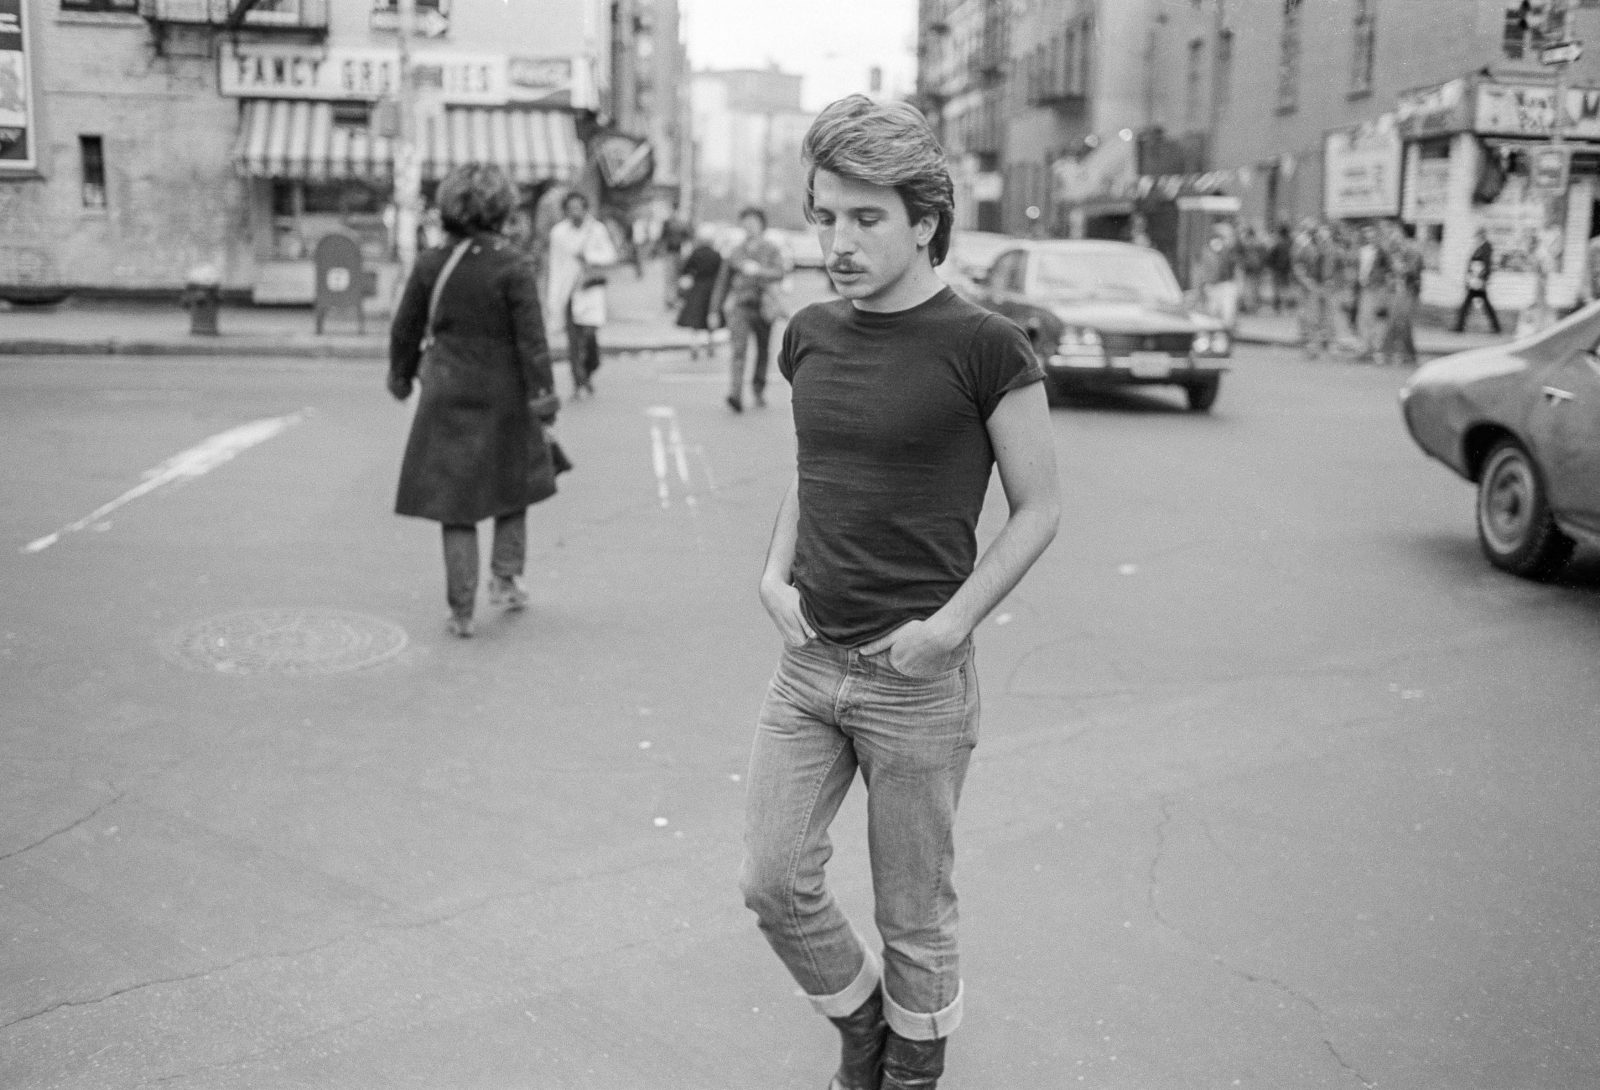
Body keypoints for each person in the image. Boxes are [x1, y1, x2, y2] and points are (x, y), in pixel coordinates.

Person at [739, 94, 1060, 1090]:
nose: (837, 242)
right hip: (808, 665)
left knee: (913, 915)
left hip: (916, 681)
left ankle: (910, 1070)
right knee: (772, 881)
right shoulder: (808, 334)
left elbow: (1039, 508)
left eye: (865, 218)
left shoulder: (986, 346)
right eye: (824, 216)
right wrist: (773, 572)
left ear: (923, 220)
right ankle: (863, 1024)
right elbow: (818, 464)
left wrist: (948, 628)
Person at [387, 163, 559, 639]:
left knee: (455, 503)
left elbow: (404, 328)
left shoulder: (431, 263)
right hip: (505, 392)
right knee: (513, 486)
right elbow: (533, 341)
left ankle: (461, 611)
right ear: (502, 208)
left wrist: (400, 377)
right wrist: (544, 399)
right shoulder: (513, 264)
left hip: (446, 389)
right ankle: (505, 580)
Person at [709, 206, 788, 412]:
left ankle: (758, 388)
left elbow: (780, 272)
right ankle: (735, 394)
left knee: (763, 350)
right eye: (746, 223)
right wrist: (714, 311)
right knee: (738, 350)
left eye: (753, 222)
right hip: (741, 307)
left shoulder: (771, 249)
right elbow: (722, 282)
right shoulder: (736, 251)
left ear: (762, 225)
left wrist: (759, 271)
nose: (749, 227)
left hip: (764, 307)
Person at [546, 191, 617, 398]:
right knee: (573, 341)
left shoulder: (596, 230)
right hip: (568, 291)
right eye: (570, 208)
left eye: (578, 208)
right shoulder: (558, 233)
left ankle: (589, 369)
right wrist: (553, 296)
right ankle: (578, 381)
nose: (574, 212)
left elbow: (610, 255)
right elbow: (555, 265)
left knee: (589, 336)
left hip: (589, 290)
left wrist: (588, 256)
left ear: (585, 209)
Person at [674, 224, 724, 360]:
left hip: (698, 287)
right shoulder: (716, 254)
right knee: (709, 317)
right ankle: (710, 344)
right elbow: (721, 273)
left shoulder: (696, 253)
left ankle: (694, 345)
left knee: (695, 319)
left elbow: (685, 269)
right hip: (712, 289)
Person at [1292, 222, 1337, 358]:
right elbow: (1298, 266)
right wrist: (1306, 281)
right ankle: (1313, 347)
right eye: (1320, 233)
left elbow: (1338, 266)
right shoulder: (1307, 248)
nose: (1323, 236)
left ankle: (1327, 343)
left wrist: (1334, 281)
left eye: (1326, 233)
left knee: (1328, 317)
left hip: (1327, 286)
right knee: (1313, 317)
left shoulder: (1332, 249)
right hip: (1314, 286)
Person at [1381, 223, 1423, 366]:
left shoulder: (1413, 250)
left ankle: (1404, 354)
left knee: (1402, 322)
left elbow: (1412, 271)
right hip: (1399, 290)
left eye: (1398, 234)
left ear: (1404, 234)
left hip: (1408, 291)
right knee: (1396, 321)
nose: (1396, 237)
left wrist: (1400, 268)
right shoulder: (1400, 250)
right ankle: (1394, 353)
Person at [1352, 222, 1393, 364]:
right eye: (1367, 235)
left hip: (1377, 288)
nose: (1369, 237)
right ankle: (1364, 348)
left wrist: (1384, 287)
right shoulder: (1361, 251)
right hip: (1363, 288)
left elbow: (1389, 270)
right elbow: (1357, 269)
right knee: (1363, 319)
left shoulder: (1382, 252)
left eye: (1372, 235)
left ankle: (1377, 350)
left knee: (1377, 319)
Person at [1454, 228, 1501, 334]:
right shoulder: (1480, 247)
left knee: (1470, 304)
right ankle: (1496, 327)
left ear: (1482, 235)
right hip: (1475, 280)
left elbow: (1487, 265)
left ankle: (1459, 326)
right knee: (1476, 304)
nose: (1477, 238)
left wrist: (1482, 279)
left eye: (1478, 235)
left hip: (1478, 281)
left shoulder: (1486, 247)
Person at [1198, 221, 1240, 328]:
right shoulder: (1212, 250)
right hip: (1214, 285)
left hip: (1226, 285)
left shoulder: (1230, 251)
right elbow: (1205, 270)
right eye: (1227, 236)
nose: (1230, 239)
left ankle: (1225, 331)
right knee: (1213, 313)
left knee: (1226, 314)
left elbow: (1235, 269)